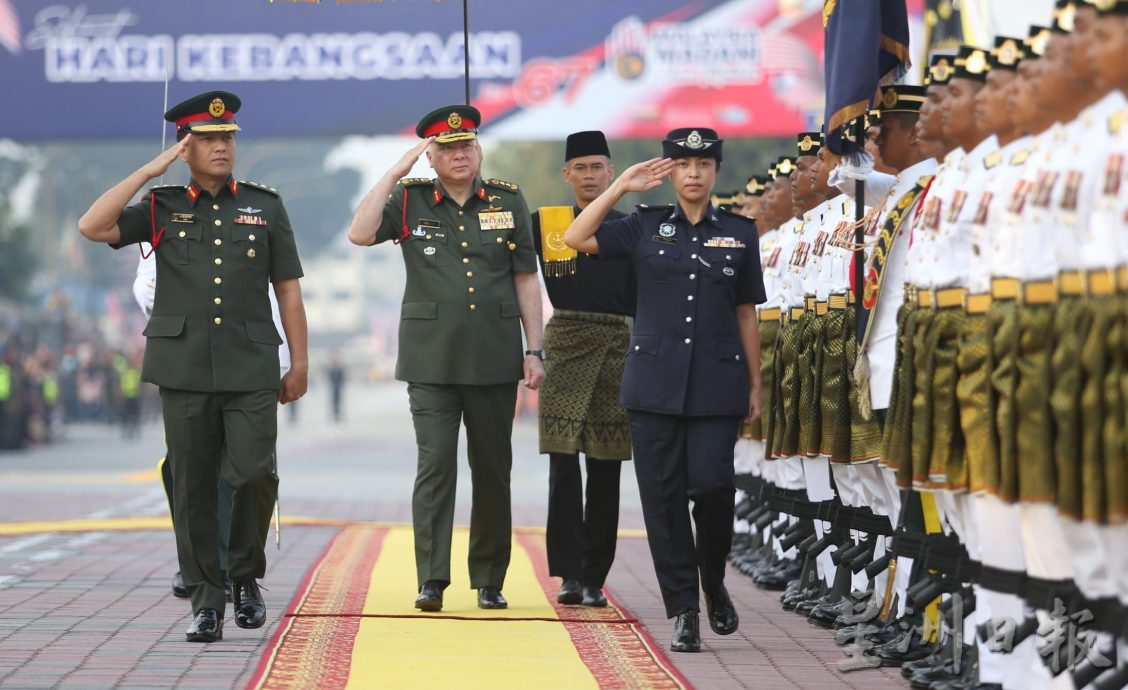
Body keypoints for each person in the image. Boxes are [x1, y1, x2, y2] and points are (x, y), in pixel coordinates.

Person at [78, 90, 309, 643]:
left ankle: (245, 577)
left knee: (253, 473)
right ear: (187, 148)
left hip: (252, 365)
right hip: (182, 368)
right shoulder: (162, 206)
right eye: (208, 140)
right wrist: (151, 169)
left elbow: (290, 293)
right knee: (192, 488)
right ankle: (207, 602)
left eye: (227, 136)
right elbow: (92, 226)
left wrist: (300, 361)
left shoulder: (265, 205)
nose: (222, 146)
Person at [564, 128, 766, 653]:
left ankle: (713, 579)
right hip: (652, 384)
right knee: (664, 500)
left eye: (703, 164)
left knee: (714, 490)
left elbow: (746, 312)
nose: (694, 173)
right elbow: (575, 237)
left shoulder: (741, 233)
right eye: (684, 163)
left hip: (718, 383)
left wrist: (754, 383)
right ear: (671, 171)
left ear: (716, 170)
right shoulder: (642, 225)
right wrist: (619, 189)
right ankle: (684, 610)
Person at [346, 105, 545, 612]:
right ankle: (431, 577)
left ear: (477, 150)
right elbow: (360, 234)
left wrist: (535, 349)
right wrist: (394, 172)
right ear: (430, 157)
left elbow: (525, 276)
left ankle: (489, 578)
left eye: (468, 146)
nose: (461, 155)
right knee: (435, 468)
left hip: (496, 358)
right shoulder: (409, 201)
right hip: (431, 362)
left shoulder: (508, 199)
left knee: (493, 469)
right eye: (449, 149)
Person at [133, 248, 291, 601]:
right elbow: (145, 278)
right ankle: (197, 564)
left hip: (248, 357)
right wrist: (159, 292)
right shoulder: (169, 208)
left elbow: (278, 292)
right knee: (187, 471)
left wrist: (284, 363)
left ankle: (232, 565)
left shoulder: (256, 209)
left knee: (245, 471)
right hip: (188, 358)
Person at [531, 130, 633, 608]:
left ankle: (595, 575)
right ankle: (569, 573)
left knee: (607, 465)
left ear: (612, 172)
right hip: (565, 345)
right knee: (563, 465)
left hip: (617, 345)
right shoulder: (545, 223)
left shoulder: (633, 228)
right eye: (581, 168)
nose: (590, 176)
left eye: (598, 167)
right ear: (566, 175)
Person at [327, 351, 345, 423]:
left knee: (339, 403)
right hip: (333, 389)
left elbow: (342, 378)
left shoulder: (339, 369)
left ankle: (338, 416)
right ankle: (334, 416)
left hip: (338, 389)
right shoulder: (332, 369)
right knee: (333, 403)